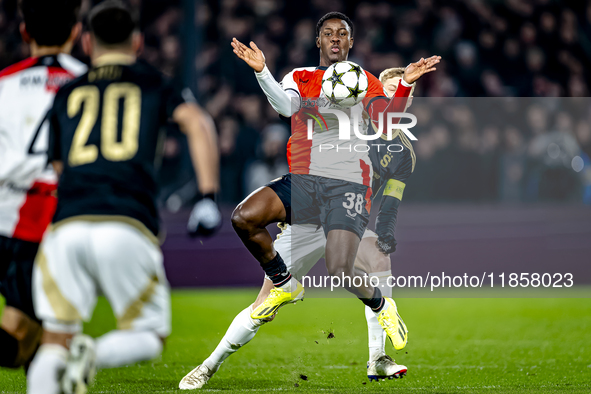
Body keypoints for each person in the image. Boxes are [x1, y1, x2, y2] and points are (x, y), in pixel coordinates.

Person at [179, 11, 437, 388]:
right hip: (305, 193)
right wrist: (261, 71)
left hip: (345, 202)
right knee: (258, 293)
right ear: (318, 41)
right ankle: (211, 363)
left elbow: (386, 127)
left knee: (370, 260)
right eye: (328, 33)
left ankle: (378, 356)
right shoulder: (306, 78)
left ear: (351, 42)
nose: (335, 38)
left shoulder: (387, 128)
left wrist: (385, 227)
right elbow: (287, 107)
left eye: (343, 33)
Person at [26, 2, 220, 393]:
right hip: (125, 222)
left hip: (66, 227)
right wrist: (207, 196)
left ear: (85, 40)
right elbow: (198, 122)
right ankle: (93, 354)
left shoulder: (67, 92)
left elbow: (59, 168)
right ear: (137, 41)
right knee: (148, 335)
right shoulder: (154, 81)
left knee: (54, 339)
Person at [0, 0, 86, 373]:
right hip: (57, 221)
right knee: (51, 332)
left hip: (4, 215)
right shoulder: (90, 84)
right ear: (76, 33)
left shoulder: (4, 83)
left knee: (23, 331)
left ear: (24, 32)